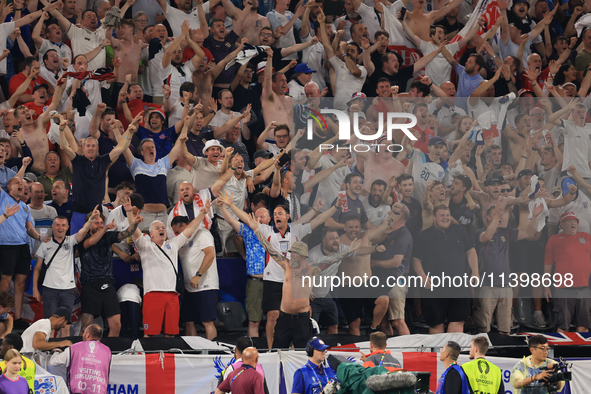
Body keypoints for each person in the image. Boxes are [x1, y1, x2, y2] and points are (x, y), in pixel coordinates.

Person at [131, 199, 213, 337]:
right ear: (151, 234)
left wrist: (203, 213)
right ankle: (151, 358)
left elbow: (191, 228)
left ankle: (169, 359)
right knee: (150, 334)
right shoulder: (145, 246)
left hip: (172, 296)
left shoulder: (173, 244)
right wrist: (130, 215)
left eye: (163, 227)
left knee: (171, 334)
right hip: (153, 294)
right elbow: (134, 231)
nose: (161, 229)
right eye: (157, 228)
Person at [78, 198, 143, 337]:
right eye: (97, 223)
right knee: (86, 326)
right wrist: (106, 228)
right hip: (90, 285)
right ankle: (82, 353)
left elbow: (126, 233)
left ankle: (110, 353)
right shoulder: (82, 238)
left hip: (107, 283)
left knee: (116, 325)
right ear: (89, 225)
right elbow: (91, 242)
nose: (100, 225)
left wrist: (135, 223)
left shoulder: (108, 236)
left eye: (102, 222)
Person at [33, 209, 100, 329]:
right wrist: (34, 289)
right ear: (52, 226)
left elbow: (83, 230)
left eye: (63, 225)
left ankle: (63, 348)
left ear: (67, 227)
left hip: (68, 290)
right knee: (49, 324)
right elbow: (37, 268)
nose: (60, 228)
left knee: (66, 325)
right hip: (49, 289)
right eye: (57, 225)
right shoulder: (45, 244)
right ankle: (50, 348)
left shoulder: (71, 241)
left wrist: (91, 219)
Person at [544, 211, 591, 333]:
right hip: (563, 289)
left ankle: (582, 352)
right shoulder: (554, 240)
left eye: (575, 221)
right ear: (562, 225)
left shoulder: (586, 236)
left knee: (584, 325)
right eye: (569, 221)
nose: (573, 223)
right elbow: (547, 264)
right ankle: (561, 351)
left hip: (584, 288)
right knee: (563, 325)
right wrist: (546, 285)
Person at [50, 324, 112, 394]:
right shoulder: (107, 351)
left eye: (84, 332)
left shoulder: (74, 348)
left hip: (77, 391)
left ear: (88, 335)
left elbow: (53, 362)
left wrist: (57, 352)